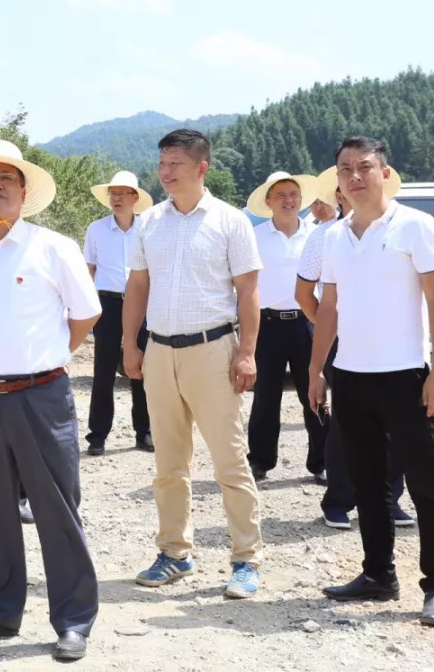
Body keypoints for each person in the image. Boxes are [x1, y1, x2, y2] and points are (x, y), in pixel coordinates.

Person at [0, 140, 101, 662]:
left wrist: (44, 357)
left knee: (56, 508)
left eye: (7, 177)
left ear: (24, 192)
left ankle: (73, 620)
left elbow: (84, 316)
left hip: (41, 395)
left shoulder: (54, 248)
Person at [309, 136, 434, 627]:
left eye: (365, 167)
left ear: (384, 173)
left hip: (407, 376)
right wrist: (316, 369)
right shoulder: (333, 236)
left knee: (425, 483)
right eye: (346, 168)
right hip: (351, 376)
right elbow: (329, 307)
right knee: (366, 483)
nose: (355, 176)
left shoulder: (416, 225)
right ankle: (377, 575)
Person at [123, 129, 264, 599]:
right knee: (168, 463)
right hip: (161, 350)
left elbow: (248, 291)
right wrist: (131, 343)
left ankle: (246, 560)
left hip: (214, 349)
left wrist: (246, 352)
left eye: (176, 164)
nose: (165, 172)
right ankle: (174, 553)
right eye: (162, 163)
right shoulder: (150, 222)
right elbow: (138, 287)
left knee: (229, 460)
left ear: (201, 167)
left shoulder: (230, 221)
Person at [295, 169, 411, 529]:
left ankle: (390, 499)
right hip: (345, 346)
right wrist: (332, 331)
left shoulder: (399, 229)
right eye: (344, 186)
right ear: (338, 194)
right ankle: (338, 501)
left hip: (392, 344)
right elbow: (304, 293)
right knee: (344, 423)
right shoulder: (325, 237)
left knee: (393, 424)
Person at [245, 172, 327, 483]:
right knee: (265, 397)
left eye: (293, 194)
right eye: (280, 195)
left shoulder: (316, 234)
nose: (288, 200)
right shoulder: (256, 237)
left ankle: (321, 461)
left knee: (315, 393)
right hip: (267, 324)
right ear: (268, 202)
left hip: (308, 323)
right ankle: (260, 461)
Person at [83, 170, 153, 455]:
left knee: (141, 369)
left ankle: (144, 432)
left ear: (135, 198)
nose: (116, 198)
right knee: (103, 371)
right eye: (113, 193)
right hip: (108, 304)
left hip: (142, 303)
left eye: (123, 193)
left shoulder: (148, 228)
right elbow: (89, 270)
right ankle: (97, 436)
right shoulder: (96, 229)